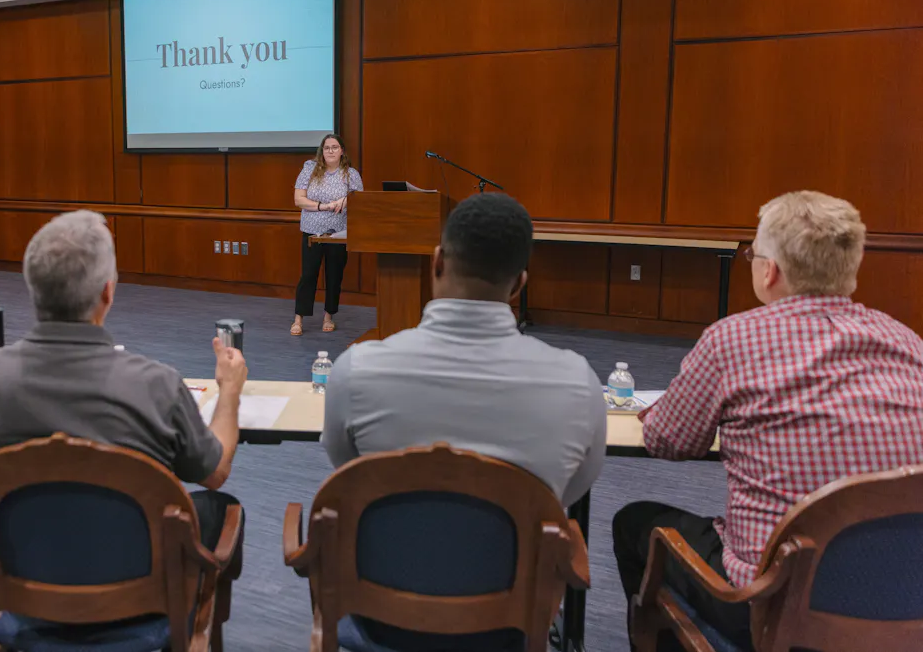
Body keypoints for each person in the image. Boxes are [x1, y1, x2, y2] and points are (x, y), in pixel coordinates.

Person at [613, 191, 923, 651]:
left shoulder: (731, 341)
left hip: (769, 602)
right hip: (897, 594)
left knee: (635, 523)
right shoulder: (908, 344)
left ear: (769, 270)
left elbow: (667, 440)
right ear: (851, 270)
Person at [0, 210, 248, 551]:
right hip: (136, 574)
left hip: (20, 567)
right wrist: (229, 391)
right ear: (107, 293)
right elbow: (214, 473)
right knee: (221, 508)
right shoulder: (157, 384)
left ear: (32, 286)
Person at [321, 192, 606, 508]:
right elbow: (566, 494)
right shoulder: (578, 383)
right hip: (517, 557)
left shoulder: (355, 371)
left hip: (390, 554)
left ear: (438, 262)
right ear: (518, 286)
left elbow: (346, 469)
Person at [291, 133, 363, 336]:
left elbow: (359, 201)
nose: (330, 151)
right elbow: (299, 199)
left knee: (334, 276)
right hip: (312, 232)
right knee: (308, 276)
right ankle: (298, 319)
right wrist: (324, 206)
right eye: (326, 148)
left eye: (334, 147)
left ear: (342, 151)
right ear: (321, 152)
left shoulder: (351, 174)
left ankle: (328, 317)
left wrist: (347, 201)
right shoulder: (309, 170)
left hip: (339, 233)